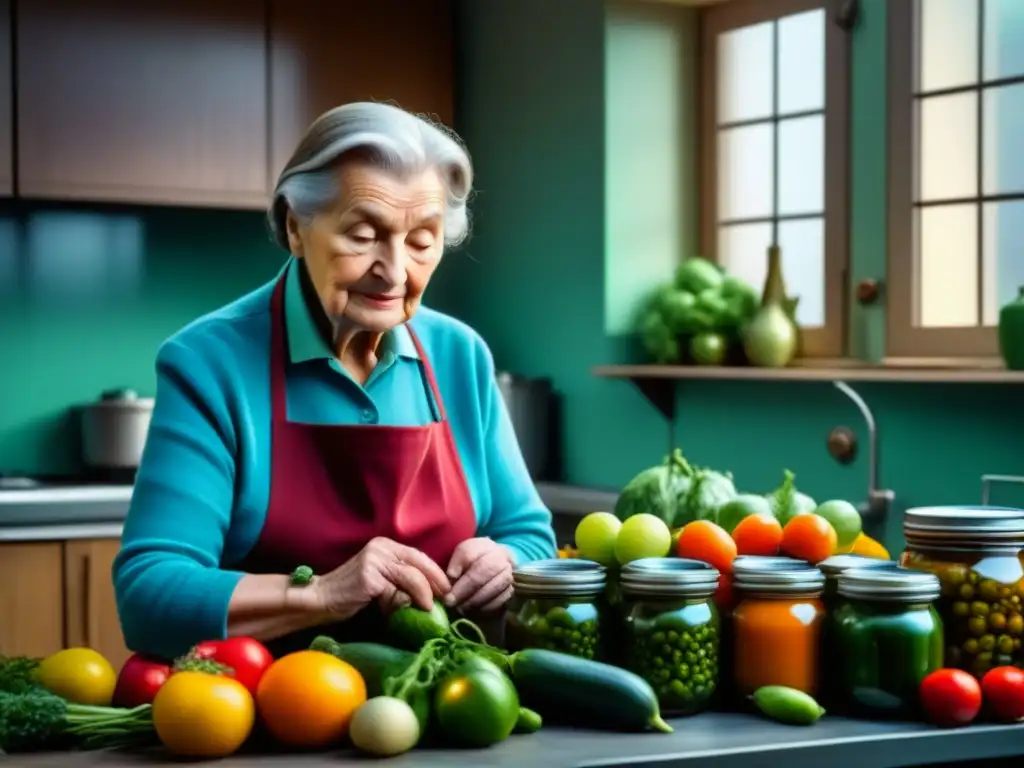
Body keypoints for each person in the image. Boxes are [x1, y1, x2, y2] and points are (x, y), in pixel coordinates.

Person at [113, 102, 557, 660]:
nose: (394, 271)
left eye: (422, 240)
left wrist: (506, 563)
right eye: (364, 235)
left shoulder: (460, 356)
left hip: (443, 705)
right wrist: (323, 593)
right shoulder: (209, 362)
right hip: (266, 714)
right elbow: (148, 595)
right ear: (296, 227)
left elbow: (531, 537)